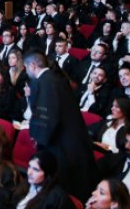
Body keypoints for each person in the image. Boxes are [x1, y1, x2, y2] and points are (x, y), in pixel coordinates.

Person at [24, 51, 96, 200]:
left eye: (26, 67)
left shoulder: (45, 81)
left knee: (67, 192)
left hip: (64, 145)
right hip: (70, 139)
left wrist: (37, 138)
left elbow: (47, 116)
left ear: (32, 65)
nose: (26, 71)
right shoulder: (52, 79)